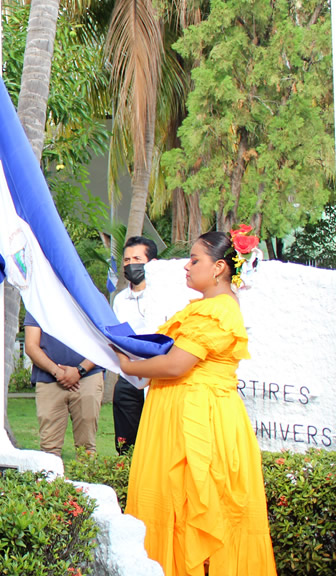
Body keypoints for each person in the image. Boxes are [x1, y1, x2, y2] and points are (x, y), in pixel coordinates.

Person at [114, 230, 276, 576]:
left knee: (194, 504)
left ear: (219, 267)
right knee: (176, 503)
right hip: (184, 416)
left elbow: (176, 364)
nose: (186, 267)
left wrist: (127, 366)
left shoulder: (218, 310)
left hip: (200, 423)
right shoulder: (206, 307)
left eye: (194, 260)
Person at [23, 314, 104, 457]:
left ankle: (87, 478)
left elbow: (103, 340)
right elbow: (31, 346)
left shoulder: (90, 296)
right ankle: (50, 479)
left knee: (87, 447)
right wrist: (57, 372)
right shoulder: (37, 300)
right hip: (48, 379)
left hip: (88, 377)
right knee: (49, 448)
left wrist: (80, 370)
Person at [111, 236, 160, 453]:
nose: (131, 264)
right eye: (127, 260)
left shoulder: (161, 296)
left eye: (137, 259)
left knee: (155, 441)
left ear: (152, 263)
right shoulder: (120, 299)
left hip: (157, 376)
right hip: (127, 377)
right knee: (126, 441)